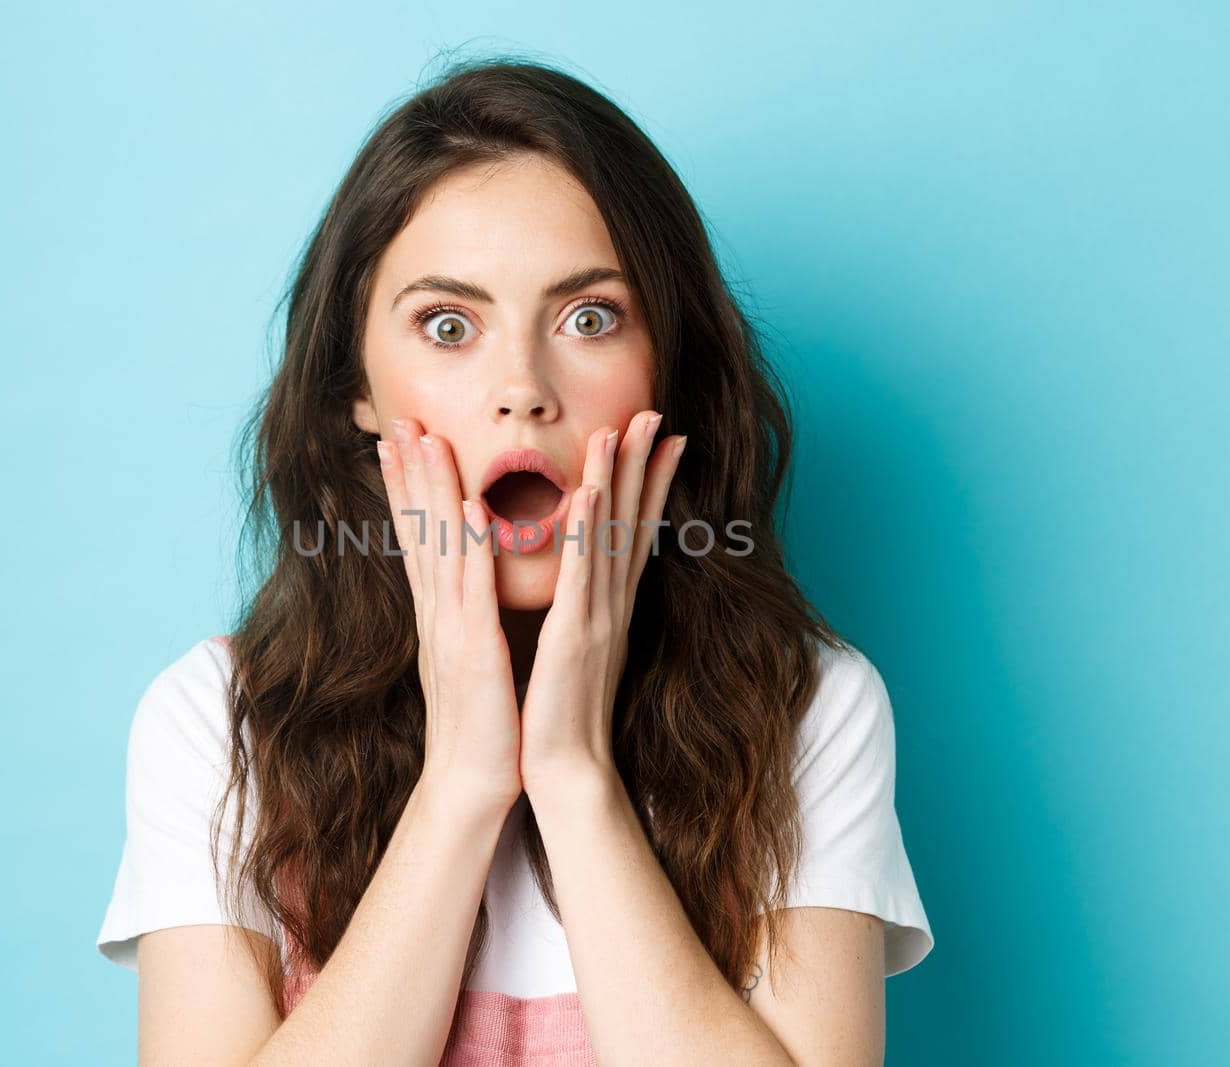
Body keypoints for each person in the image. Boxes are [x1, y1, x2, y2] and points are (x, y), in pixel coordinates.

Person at [96, 55, 933, 1066]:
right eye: (448, 325)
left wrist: (574, 775)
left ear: (668, 367)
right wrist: (460, 781)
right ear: (354, 388)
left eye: (590, 317)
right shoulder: (215, 720)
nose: (523, 389)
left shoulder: (810, 709)